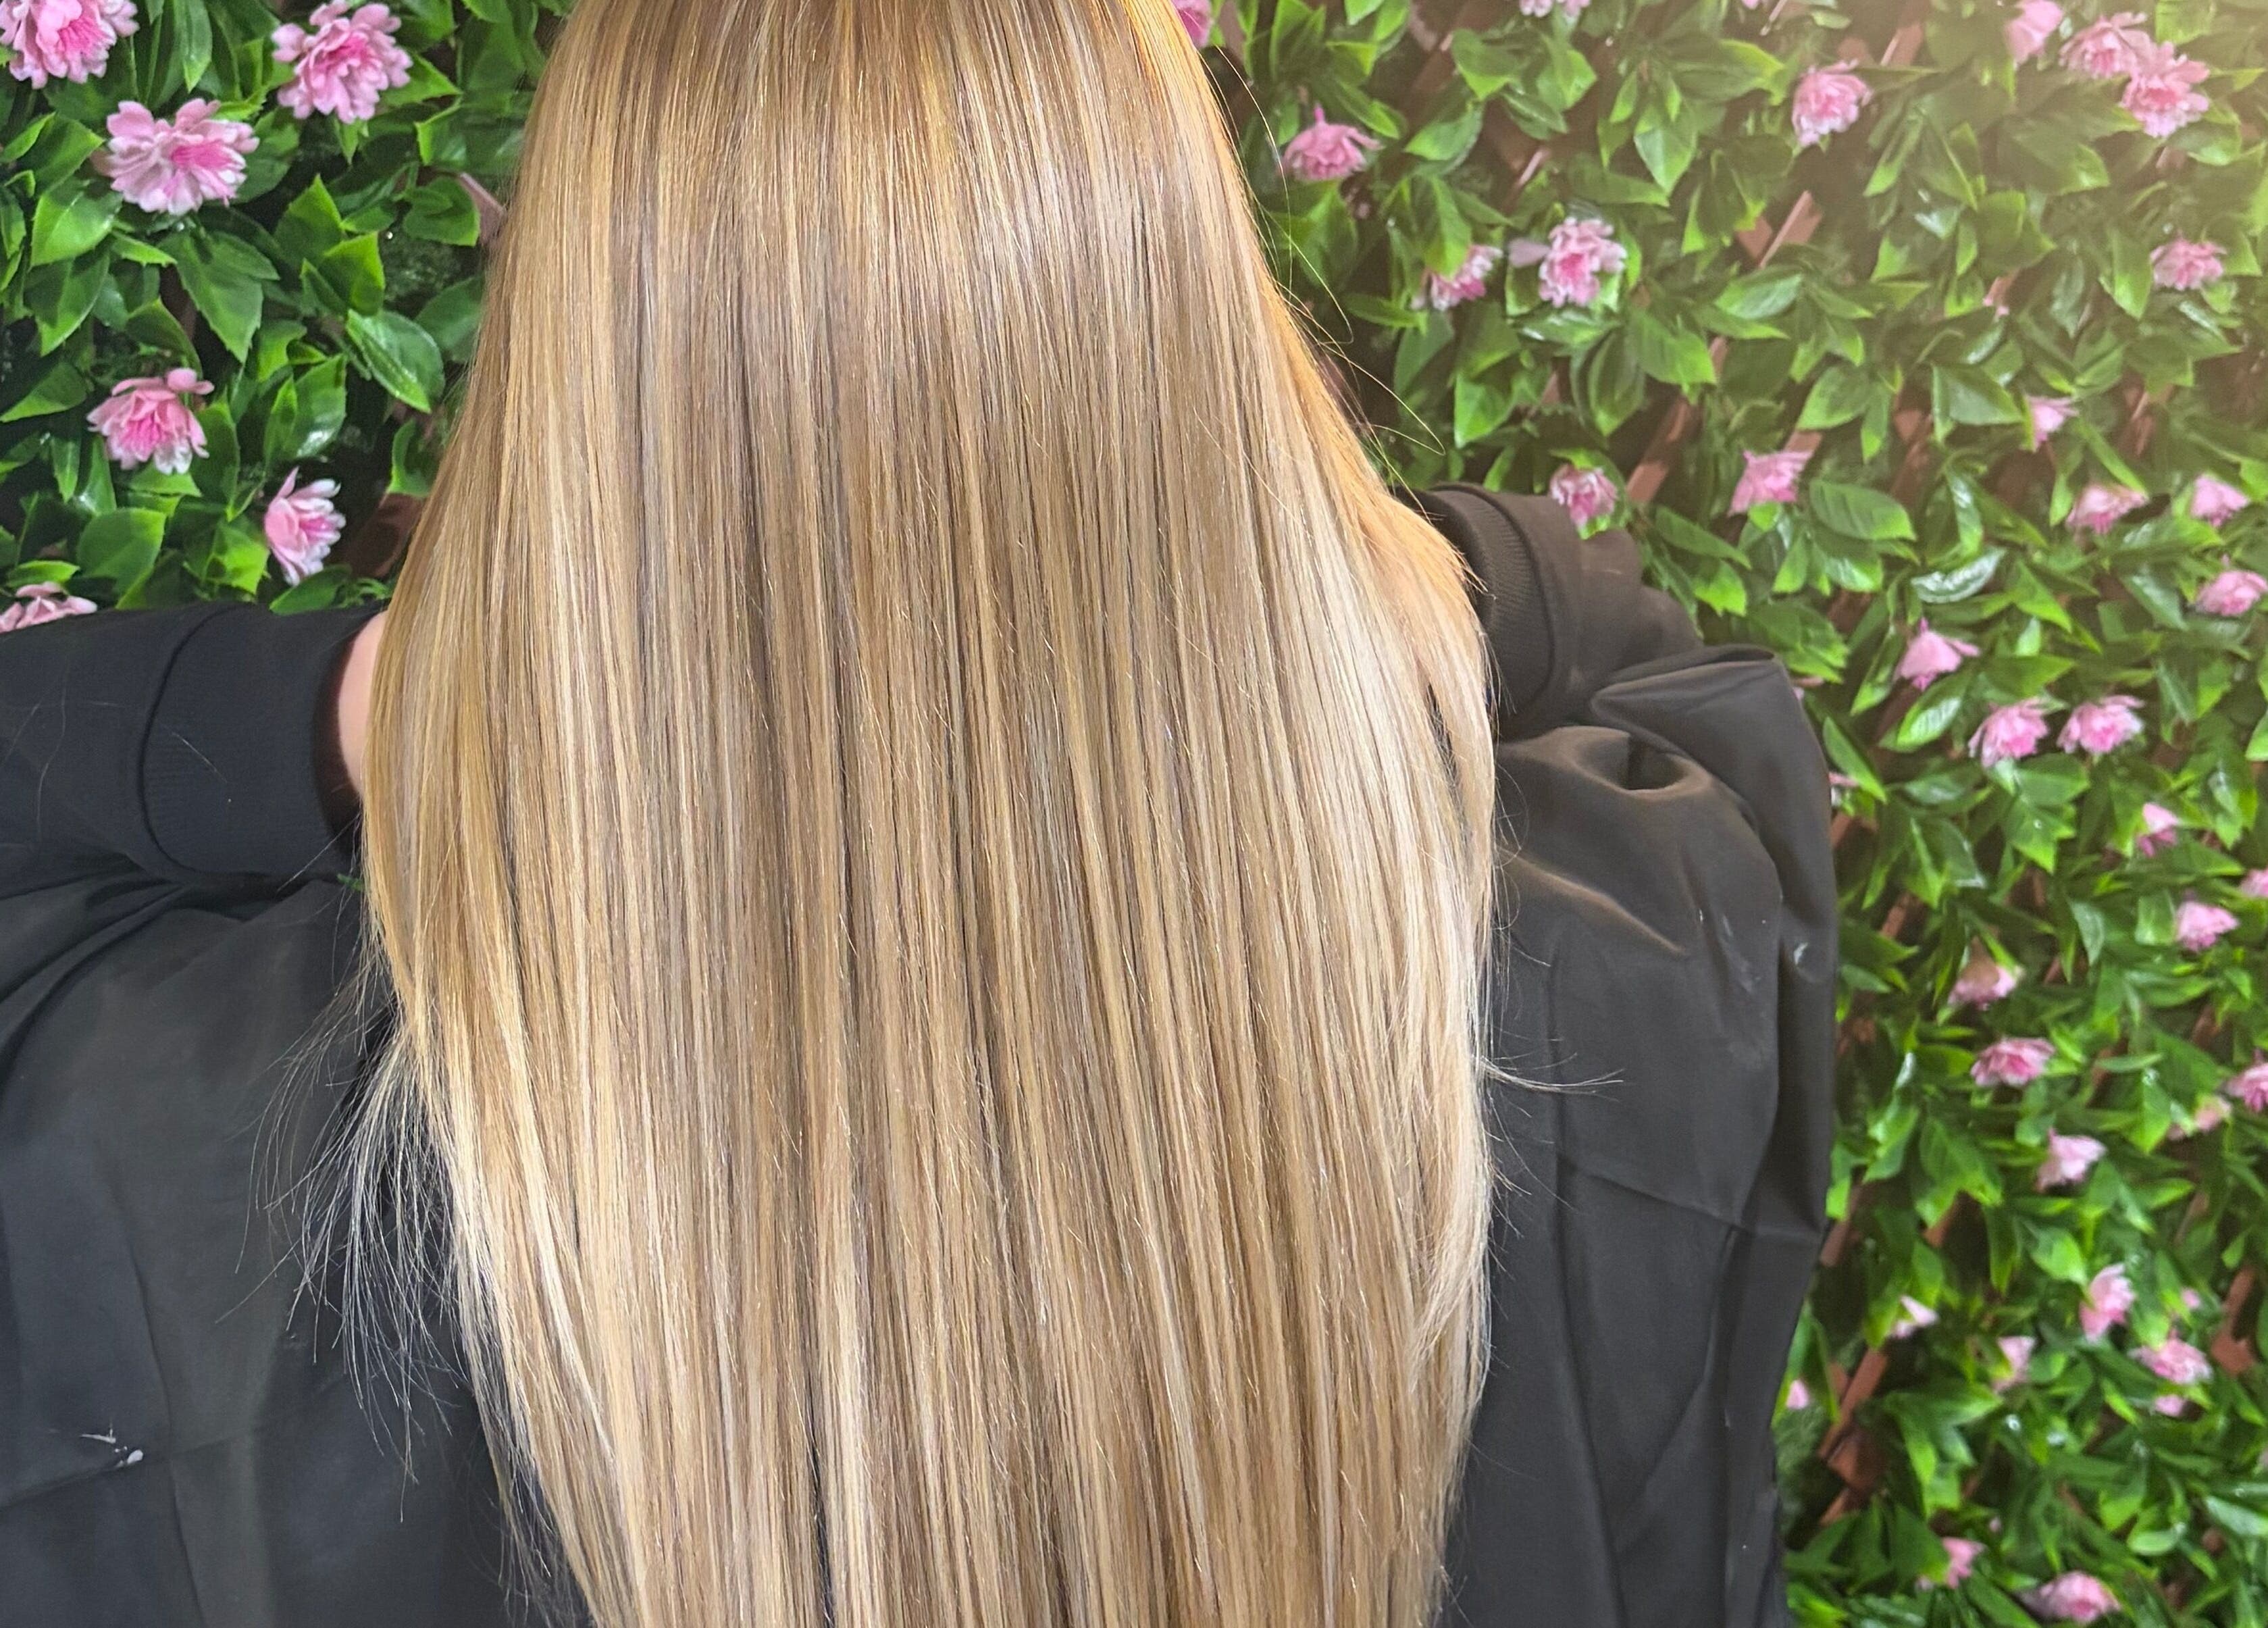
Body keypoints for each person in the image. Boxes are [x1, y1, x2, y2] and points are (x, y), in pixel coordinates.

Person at [0, 1, 1835, 1625]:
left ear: (576, 401)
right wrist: (1280, 597)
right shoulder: (1602, 977)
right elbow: (1643, 656)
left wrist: (371, 701)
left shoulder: (197, 1157)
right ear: (1195, 345)